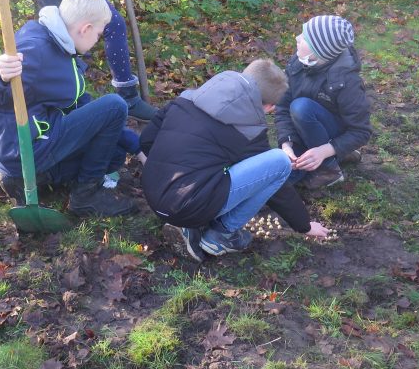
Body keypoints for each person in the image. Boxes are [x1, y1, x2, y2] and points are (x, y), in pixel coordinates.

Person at [0, 0, 139, 217]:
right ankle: (85, 197)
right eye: (98, 35)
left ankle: (33, 180)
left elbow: (78, 105)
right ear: (85, 28)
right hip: (25, 150)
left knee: (115, 154)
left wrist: (131, 142)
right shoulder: (36, 50)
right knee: (116, 106)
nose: (97, 41)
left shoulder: (54, 40)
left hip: (35, 139)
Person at [140, 59, 330, 261]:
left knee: (207, 174)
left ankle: (188, 223)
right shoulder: (249, 132)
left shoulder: (185, 99)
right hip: (189, 205)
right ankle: (223, 233)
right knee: (279, 162)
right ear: (268, 107)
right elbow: (277, 186)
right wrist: (304, 225)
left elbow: (146, 141)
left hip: (153, 193)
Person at [274, 15, 372, 190]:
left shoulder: (347, 83)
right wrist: (286, 143)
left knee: (301, 107)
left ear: (319, 51)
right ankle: (340, 155)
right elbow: (282, 105)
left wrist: (324, 151)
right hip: (303, 130)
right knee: (281, 176)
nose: (297, 38)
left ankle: (329, 168)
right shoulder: (298, 62)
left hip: (330, 133)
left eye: (304, 38)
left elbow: (361, 131)